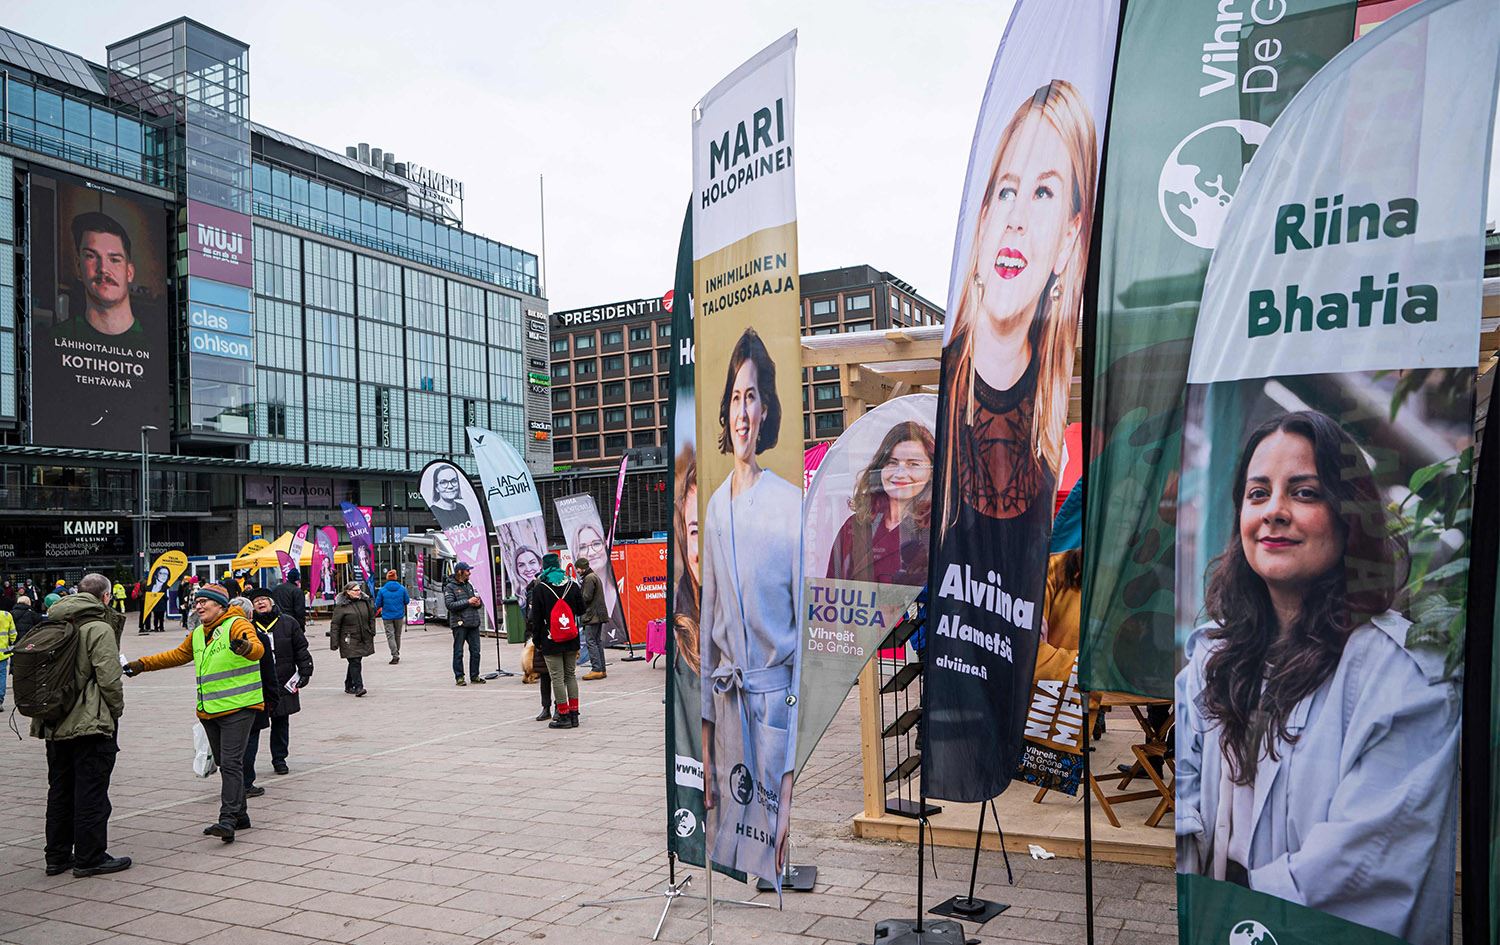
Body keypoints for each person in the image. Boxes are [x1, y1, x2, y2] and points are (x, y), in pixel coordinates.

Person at [1176, 411, 1458, 944]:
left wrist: (1233, 911)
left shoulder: (1402, 677)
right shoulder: (1214, 656)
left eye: (1304, 493)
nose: (1274, 512)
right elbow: (1187, 800)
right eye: (1258, 493)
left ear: (1349, 513)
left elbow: (1364, 865)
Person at [699, 327, 801, 878]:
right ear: (727, 412)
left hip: (773, 698)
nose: (742, 412)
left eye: (752, 396)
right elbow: (710, 629)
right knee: (730, 850)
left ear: (766, 410)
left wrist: (789, 789)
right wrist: (707, 745)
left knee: (773, 846)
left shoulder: (790, 506)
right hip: (730, 707)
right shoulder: (715, 509)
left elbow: (803, 637)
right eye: (735, 398)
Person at [125, 583, 265, 843]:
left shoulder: (237, 623)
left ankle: (228, 819)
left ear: (220, 606)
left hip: (240, 706)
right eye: (197, 602)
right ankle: (242, 815)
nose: (198, 606)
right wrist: (141, 665)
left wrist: (245, 648)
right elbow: (177, 655)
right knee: (225, 763)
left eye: (204, 602)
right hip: (210, 709)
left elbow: (257, 649)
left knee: (232, 763)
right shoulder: (199, 633)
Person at [31, 574, 130, 877]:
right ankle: (90, 857)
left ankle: (57, 856)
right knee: (91, 790)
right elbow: (109, 678)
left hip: (53, 720)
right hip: (89, 724)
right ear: (105, 597)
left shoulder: (53, 622)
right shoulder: (98, 628)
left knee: (60, 789)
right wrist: (116, 711)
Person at [826, 420, 935, 585]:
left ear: (932, 472)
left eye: (913, 464)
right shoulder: (854, 526)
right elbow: (831, 590)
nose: (900, 473)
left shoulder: (938, 531)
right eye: (892, 462)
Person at [245, 588, 313, 775]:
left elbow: (301, 648)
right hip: (257, 682)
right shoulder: (247, 625)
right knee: (254, 726)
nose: (260, 603)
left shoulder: (288, 622)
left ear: (271, 602)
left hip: (283, 680)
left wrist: (305, 670)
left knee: (281, 722)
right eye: (256, 601)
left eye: (264, 600)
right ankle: (247, 766)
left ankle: (279, 758)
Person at [527, 553, 584, 729]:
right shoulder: (572, 585)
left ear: (544, 567)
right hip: (571, 637)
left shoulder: (540, 588)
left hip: (550, 639)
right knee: (570, 675)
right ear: (559, 565)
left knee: (557, 677)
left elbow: (535, 619)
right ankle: (575, 715)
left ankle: (564, 716)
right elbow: (581, 609)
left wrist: (537, 641)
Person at [231, 595, 278, 800]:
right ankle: (246, 782)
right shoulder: (258, 636)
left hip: (224, 700)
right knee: (250, 741)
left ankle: (233, 782)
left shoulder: (217, 636)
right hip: (252, 697)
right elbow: (268, 671)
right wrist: (273, 697)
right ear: (250, 614)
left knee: (231, 746)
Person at [444, 562, 486, 686]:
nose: (470, 573)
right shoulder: (450, 587)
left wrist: (478, 603)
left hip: (473, 622)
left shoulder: (469, 585)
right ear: (460, 572)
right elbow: (450, 605)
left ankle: (475, 675)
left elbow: (475, 601)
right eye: (467, 571)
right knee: (458, 652)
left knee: (476, 651)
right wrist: (468, 601)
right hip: (459, 624)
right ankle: (459, 677)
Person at [330, 581, 374, 697]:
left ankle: (349, 684)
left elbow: (371, 617)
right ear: (348, 592)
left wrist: (372, 630)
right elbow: (335, 624)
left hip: (362, 636)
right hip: (348, 639)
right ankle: (359, 687)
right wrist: (334, 642)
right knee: (355, 661)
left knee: (355, 661)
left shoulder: (364, 602)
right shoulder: (341, 606)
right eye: (355, 590)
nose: (358, 592)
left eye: (359, 589)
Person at [575, 557, 608, 681]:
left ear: (582, 568)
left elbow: (586, 598)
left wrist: (577, 596)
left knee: (591, 641)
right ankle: (601, 669)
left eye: (578, 568)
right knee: (597, 641)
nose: (577, 571)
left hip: (592, 616)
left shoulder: (589, 579)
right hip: (597, 615)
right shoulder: (593, 576)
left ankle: (596, 669)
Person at [372, 570, 410, 665]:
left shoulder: (382, 590)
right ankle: (396, 652)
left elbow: (378, 604)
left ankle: (395, 655)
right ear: (396, 577)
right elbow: (407, 601)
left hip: (387, 616)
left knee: (390, 636)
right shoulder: (402, 589)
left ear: (387, 578)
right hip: (399, 615)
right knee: (397, 635)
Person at [429, 465, 475, 531]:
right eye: (444, 482)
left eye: (454, 481)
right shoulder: (433, 511)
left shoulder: (462, 508)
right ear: (436, 488)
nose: (450, 486)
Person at [0, 602, 13, 709]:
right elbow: (13, 633)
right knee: (2, 676)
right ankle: (0, 700)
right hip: (2, 653)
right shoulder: (6, 615)